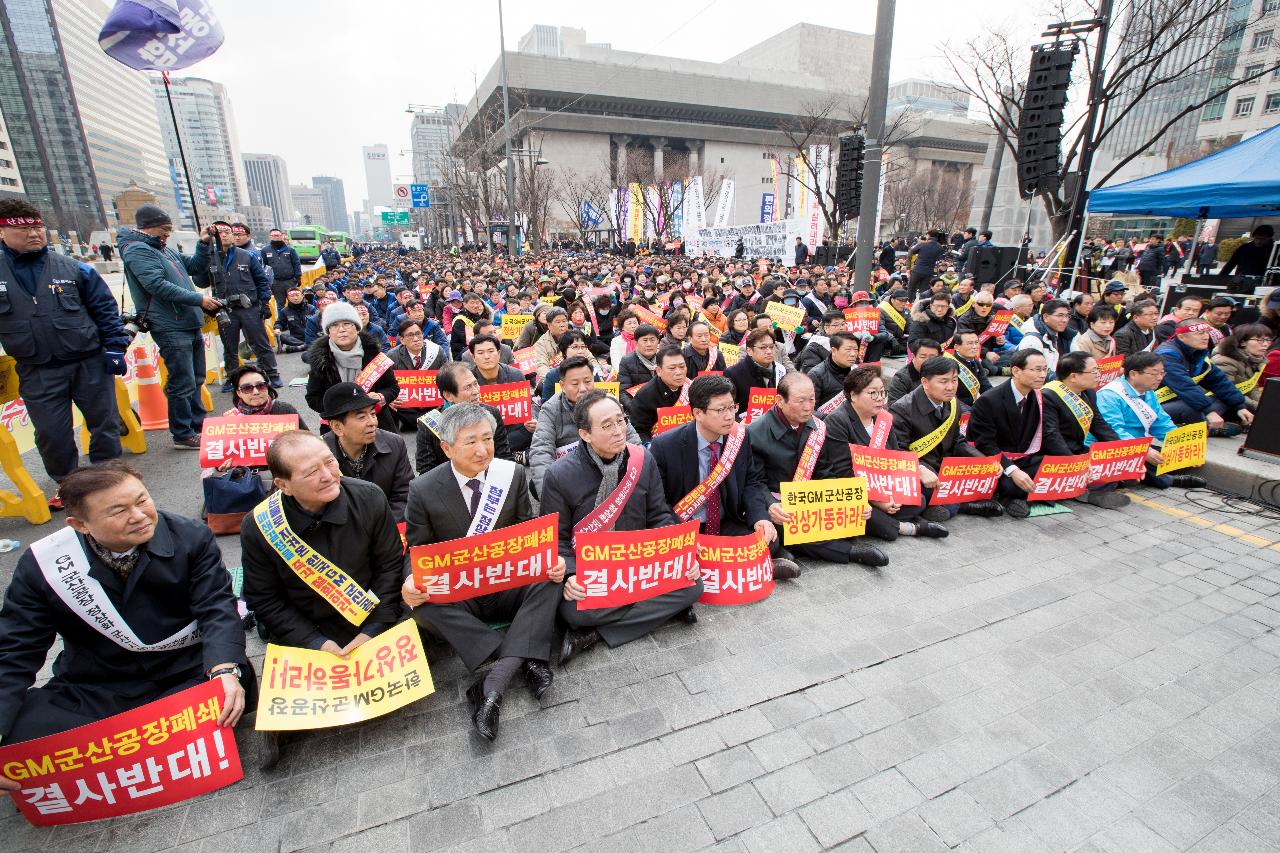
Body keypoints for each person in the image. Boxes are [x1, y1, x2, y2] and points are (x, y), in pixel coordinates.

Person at [0, 462, 251, 746]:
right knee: (19, 730)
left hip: (184, 673)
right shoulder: (45, 565)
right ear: (81, 525)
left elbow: (217, 608)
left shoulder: (191, 537)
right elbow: (15, 648)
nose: (139, 516)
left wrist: (223, 670)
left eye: (142, 500)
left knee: (229, 689)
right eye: (118, 511)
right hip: (98, 686)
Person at [400, 404, 564, 741]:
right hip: (463, 591)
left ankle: (493, 683)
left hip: (507, 583)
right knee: (421, 604)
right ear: (446, 448)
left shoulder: (512, 474)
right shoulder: (424, 489)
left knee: (550, 579)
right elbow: (415, 551)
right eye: (470, 442)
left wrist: (549, 559)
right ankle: (527, 656)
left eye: (487, 439)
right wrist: (409, 580)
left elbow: (525, 531)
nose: (482, 449)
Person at [240, 431, 404, 768]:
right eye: (311, 472)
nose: (328, 475)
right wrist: (316, 642)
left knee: (421, 616)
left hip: (367, 613)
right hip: (307, 625)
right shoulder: (258, 526)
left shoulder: (369, 497)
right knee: (284, 656)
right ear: (283, 485)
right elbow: (266, 601)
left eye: (329, 462)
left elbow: (390, 567)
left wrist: (372, 631)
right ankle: (279, 725)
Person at [540, 390, 702, 665]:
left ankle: (593, 635)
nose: (618, 431)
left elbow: (659, 514)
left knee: (693, 585)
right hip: (593, 569)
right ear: (585, 434)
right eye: (607, 425)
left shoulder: (642, 459)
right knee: (573, 611)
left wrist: (678, 557)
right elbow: (556, 539)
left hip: (639, 564)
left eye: (620, 421)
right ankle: (660, 610)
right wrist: (570, 575)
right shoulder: (559, 475)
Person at [0, 199, 130, 497]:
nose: (34, 234)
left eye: (37, 227)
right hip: (37, 368)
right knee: (51, 433)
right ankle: (69, 485)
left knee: (105, 423)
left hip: (89, 361)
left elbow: (105, 310)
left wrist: (114, 347)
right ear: (2, 233)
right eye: (24, 229)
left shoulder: (75, 269)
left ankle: (108, 481)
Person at [649, 375, 802, 578]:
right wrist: (679, 536)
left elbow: (751, 482)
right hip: (686, 524)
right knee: (677, 557)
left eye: (732, 407)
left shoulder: (740, 436)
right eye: (721, 410)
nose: (730, 416)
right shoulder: (666, 445)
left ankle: (732, 566)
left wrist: (760, 518)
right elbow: (658, 502)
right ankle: (755, 567)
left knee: (770, 537)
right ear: (698, 413)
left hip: (724, 521)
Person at [746, 372, 887, 567]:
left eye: (812, 399)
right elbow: (754, 482)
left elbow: (824, 471)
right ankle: (852, 553)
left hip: (808, 497)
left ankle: (790, 548)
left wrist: (850, 500)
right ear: (780, 400)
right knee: (787, 525)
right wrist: (770, 504)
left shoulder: (817, 425)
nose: (808, 406)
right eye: (800, 401)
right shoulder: (755, 432)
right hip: (774, 501)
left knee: (855, 516)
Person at [119, 203, 219, 450]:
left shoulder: (164, 249)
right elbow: (157, 285)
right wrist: (199, 299)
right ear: (147, 226)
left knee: (196, 377)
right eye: (164, 229)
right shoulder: (138, 250)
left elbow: (195, 266)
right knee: (181, 380)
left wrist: (203, 243)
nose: (167, 234)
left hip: (188, 321)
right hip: (169, 325)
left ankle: (198, 424)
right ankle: (182, 432)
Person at [823, 365, 949, 541]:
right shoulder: (838, 421)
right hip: (853, 487)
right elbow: (843, 472)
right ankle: (909, 528)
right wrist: (876, 499)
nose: (879, 399)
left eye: (882, 392)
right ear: (853, 395)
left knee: (919, 497)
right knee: (862, 512)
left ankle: (894, 520)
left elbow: (894, 456)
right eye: (873, 393)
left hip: (883, 483)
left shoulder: (883, 417)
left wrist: (914, 473)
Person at [889, 357, 1004, 520]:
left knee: (996, 476)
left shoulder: (953, 404)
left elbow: (958, 441)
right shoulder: (902, 409)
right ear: (925, 382)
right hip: (918, 470)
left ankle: (944, 504)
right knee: (929, 492)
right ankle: (964, 505)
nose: (950, 387)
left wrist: (984, 461)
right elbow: (897, 451)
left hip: (945, 467)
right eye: (943, 381)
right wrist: (920, 470)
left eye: (954, 380)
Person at [1095, 351, 1207, 490]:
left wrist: (1183, 446)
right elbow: (1113, 431)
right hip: (1112, 446)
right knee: (1156, 475)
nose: (1159, 378)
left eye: (1162, 373)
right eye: (1154, 374)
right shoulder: (1110, 395)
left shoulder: (1148, 392)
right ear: (1134, 374)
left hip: (1137, 443)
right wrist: (1143, 451)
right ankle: (1168, 480)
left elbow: (1161, 422)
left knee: (1167, 457)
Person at [530, 356, 641, 491]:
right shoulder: (550, 409)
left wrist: (642, 468)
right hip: (571, 469)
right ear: (563, 386)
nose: (583, 389)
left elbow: (631, 437)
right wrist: (548, 492)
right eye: (575, 384)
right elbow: (541, 449)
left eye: (588, 381)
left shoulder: (608, 401)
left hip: (607, 462)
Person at [968, 349, 1052, 520]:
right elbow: (985, 444)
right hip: (996, 461)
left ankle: (1023, 499)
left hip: (1023, 456)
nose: (1042, 375)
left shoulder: (1038, 396)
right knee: (1012, 485)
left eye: (1045, 369)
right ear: (1016, 371)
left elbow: (1047, 434)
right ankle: (1014, 498)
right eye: (1036, 370)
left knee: (1054, 470)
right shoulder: (989, 400)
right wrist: (1013, 470)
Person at [197, 222, 282, 391]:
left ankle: (271, 375)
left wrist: (264, 303)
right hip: (225, 309)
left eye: (228, 232)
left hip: (249, 307)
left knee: (260, 343)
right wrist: (204, 260)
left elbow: (261, 281)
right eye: (220, 232)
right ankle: (233, 379)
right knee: (229, 347)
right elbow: (200, 281)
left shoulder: (247, 255)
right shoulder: (210, 257)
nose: (225, 235)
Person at [1040, 351, 1129, 509]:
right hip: (1055, 454)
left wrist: (1122, 453)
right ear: (1073, 376)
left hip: (1079, 450)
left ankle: (1081, 491)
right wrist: (1074, 465)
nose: (1098, 374)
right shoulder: (1048, 395)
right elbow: (1051, 436)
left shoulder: (1088, 392)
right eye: (1094, 371)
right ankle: (1081, 490)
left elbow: (1100, 426)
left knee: (1116, 468)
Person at [319, 383, 412, 520]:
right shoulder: (319, 454)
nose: (372, 422)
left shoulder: (394, 444)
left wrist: (381, 528)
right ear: (337, 427)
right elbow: (318, 506)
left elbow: (404, 497)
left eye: (373, 414)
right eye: (361, 417)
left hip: (386, 526)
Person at [305, 302, 401, 432]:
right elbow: (313, 398)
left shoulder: (373, 355)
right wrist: (339, 407)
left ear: (357, 327)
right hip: (338, 426)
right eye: (334, 325)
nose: (341, 330)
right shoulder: (321, 360)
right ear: (328, 331)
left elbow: (393, 387)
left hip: (377, 422)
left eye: (347, 324)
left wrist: (381, 397)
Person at [1156, 320, 1255, 434]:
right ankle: (1205, 429)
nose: (1205, 337)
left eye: (1206, 332)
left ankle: (1202, 426)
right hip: (1155, 405)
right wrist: (1209, 411)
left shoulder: (1198, 352)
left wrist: (1239, 406)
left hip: (1179, 400)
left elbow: (1219, 381)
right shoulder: (1167, 354)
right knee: (1191, 407)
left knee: (1225, 398)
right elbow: (1185, 387)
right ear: (1182, 337)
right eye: (1200, 333)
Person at [415, 363, 513, 474]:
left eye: (475, 384)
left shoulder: (491, 413)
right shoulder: (430, 423)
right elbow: (426, 470)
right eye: (467, 387)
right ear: (448, 395)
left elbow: (504, 457)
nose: (476, 391)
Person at [469, 333, 534, 459]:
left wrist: (531, 421)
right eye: (481, 353)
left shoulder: (516, 375)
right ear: (473, 357)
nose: (486, 357)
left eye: (491, 351)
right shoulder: (468, 380)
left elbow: (527, 407)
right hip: (483, 432)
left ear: (499, 354)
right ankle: (514, 455)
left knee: (532, 431)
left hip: (514, 430)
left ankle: (496, 455)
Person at [387, 318, 447, 430]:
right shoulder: (392, 356)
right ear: (402, 339)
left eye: (418, 334)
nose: (416, 339)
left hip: (433, 403)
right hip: (407, 407)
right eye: (410, 335)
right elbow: (385, 383)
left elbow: (447, 376)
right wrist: (391, 399)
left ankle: (423, 423)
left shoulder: (436, 352)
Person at [629, 346, 691, 441]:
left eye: (682, 366)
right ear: (659, 371)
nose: (679, 372)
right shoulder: (645, 395)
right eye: (672, 368)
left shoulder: (692, 387)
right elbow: (639, 431)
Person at [725, 327, 788, 416]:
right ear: (749, 351)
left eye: (771, 347)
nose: (769, 351)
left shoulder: (780, 369)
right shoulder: (733, 373)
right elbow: (728, 408)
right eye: (763, 347)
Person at [223, 363, 308, 428]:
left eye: (260, 386)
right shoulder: (230, 419)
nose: (255, 392)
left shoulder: (285, 410)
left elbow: (307, 439)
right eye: (247, 388)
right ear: (239, 393)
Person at [1211, 323, 1272, 408]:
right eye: (1260, 340)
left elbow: (1252, 387)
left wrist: (1266, 404)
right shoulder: (1224, 361)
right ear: (1243, 342)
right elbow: (1226, 392)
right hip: (1218, 404)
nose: (1265, 344)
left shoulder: (1257, 361)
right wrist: (1258, 406)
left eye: (1268, 340)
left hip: (1239, 402)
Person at [807, 332, 861, 415]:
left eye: (856, 350)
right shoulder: (816, 375)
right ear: (834, 351)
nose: (853, 354)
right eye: (848, 350)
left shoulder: (857, 372)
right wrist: (835, 422)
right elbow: (809, 410)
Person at [1016, 298, 1070, 376]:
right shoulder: (1032, 340)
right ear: (1045, 317)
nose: (1065, 320)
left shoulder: (1058, 335)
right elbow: (1033, 373)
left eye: (1067, 316)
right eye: (1060, 315)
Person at [887, 338, 942, 404]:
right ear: (913, 356)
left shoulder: (942, 373)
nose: (928, 361)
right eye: (923, 357)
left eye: (932, 357)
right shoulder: (901, 378)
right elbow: (894, 407)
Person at [949, 330, 992, 407]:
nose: (975, 347)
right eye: (970, 343)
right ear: (957, 347)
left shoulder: (975, 361)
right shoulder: (949, 365)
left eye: (976, 342)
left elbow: (985, 385)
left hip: (974, 404)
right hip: (957, 407)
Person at [262, 228, 302, 308]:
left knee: (295, 302)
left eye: (278, 235)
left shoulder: (290, 250)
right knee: (280, 304)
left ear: (281, 236)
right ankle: (282, 320)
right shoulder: (265, 250)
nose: (276, 237)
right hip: (276, 283)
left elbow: (296, 263)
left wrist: (298, 277)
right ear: (270, 236)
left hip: (290, 281)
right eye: (274, 235)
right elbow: (264, 266)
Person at [617, 323, 661, 392]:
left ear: (658, 342)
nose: (649, 344)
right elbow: (623, 391)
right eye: (645, 340)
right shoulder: (627, 361)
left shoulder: (663, 359)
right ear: (636, 343)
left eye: (652, 340)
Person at [907, 230, 948, 300]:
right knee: (924, 291)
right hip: (929, 271)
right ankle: (923, 304)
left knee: (911, 288)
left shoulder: (923, 244)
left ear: (929, 235)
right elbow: (941, 256)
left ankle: (909, 303)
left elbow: (911, 251)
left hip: (917, 269)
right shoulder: (940, 247)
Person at [275, 286, 314, 353]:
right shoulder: (284, 311)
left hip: (311, 336)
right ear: (288, 298)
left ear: (302, 296)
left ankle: (302, 346)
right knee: (282, 336)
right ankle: (307, 346)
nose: (295, 298)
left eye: (297, 295)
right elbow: (279, 323)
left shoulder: (311, 308)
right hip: (296, 338)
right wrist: (277, 328)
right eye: (292, 296)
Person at [879, 289, 912, 355]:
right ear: (892, 299)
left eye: (905, 301)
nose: (903, 304)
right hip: (887, 338)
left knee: (915, 342)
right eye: (900, 301)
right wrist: (891, 338)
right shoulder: (881, 309)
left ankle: (892, 351)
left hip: (899, 338)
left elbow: (910, 327)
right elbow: (880, 327)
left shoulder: (906, 311)